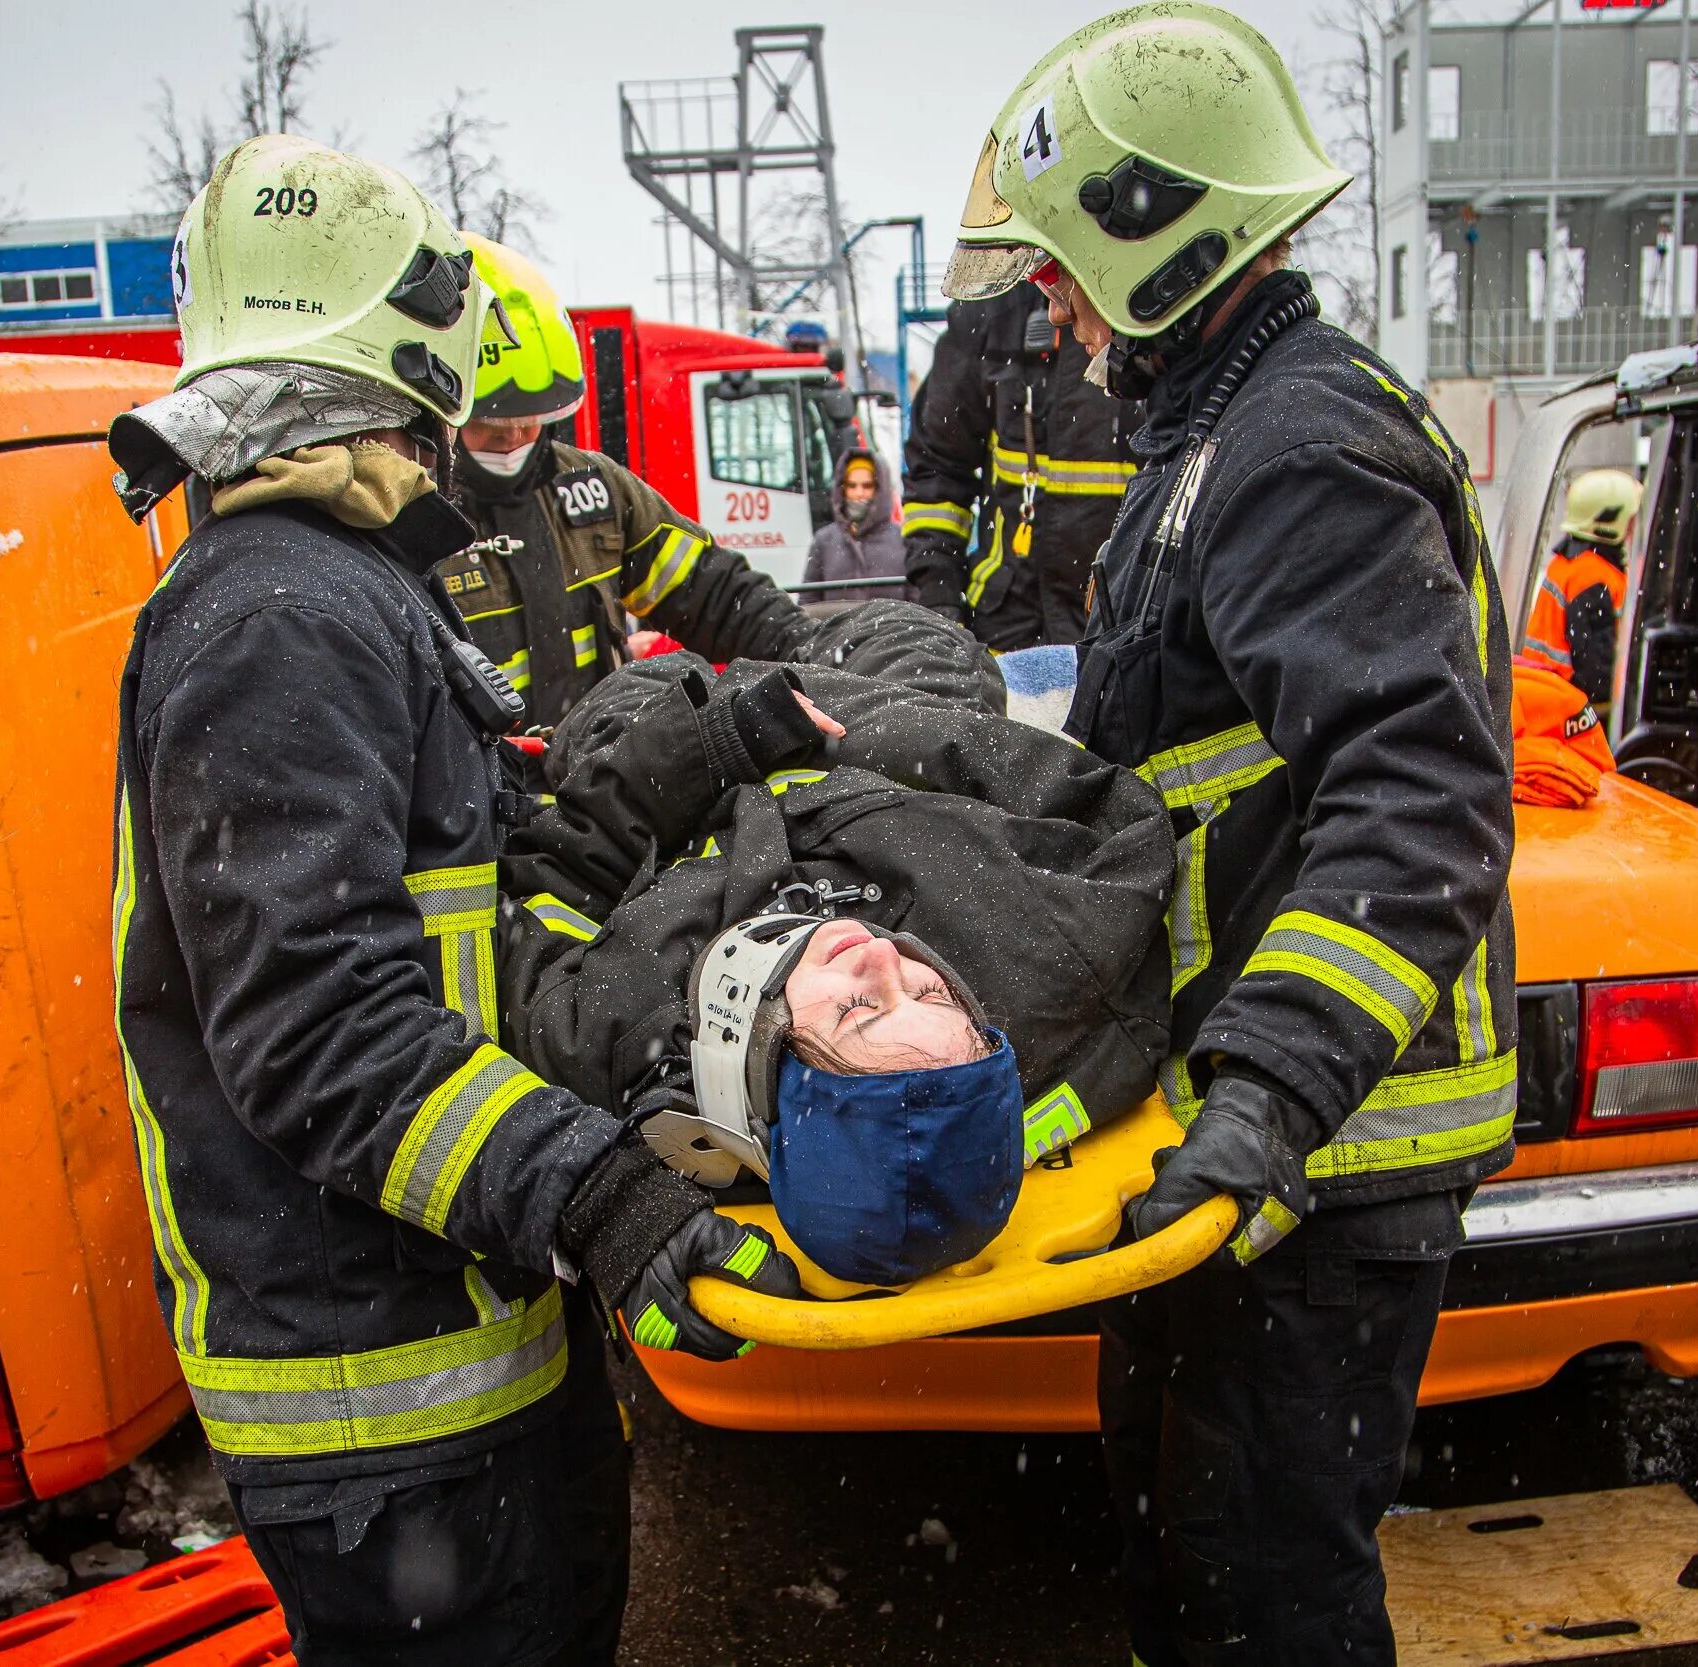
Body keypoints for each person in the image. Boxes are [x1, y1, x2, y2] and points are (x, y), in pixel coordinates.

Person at [103, 136, 800, 1667]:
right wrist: (600, 1190)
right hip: (387, 1407)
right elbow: (319, 1033)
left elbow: (482, 896)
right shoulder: (281, 611)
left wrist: (706, 741)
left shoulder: (332, 587)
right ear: (406, 355)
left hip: (457, 1353)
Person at [942, 8, 1516, 1661]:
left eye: (1058, 265)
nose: (1044, 301)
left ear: (1149, 241)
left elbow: (1416, 797)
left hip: (1323, 1153)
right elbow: (1192, 782)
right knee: (1195, 1562)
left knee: (1265, 1598)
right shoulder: (1213, 442)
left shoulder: (1294, 450)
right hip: (1240, 1145)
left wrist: (1267, 1090)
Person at [501, 603, 1174, 1284]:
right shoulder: (1058, 962)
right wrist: (831, 724)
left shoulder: (606, 1037)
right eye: (931, 991)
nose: (887, 958)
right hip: (887, 724)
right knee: (909, 632)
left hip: (666, 769)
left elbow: (557, 875)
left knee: (626, 704)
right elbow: (1116, 819)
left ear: (759, 1075)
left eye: (858, 1009)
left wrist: (713, 744)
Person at [444, 234, 811, 729]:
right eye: (489, 427)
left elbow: (715, 595)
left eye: (527, 422)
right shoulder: (412, 516)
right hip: (479, 797)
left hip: (594, 779)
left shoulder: (594, 489)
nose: (511, 440)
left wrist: (813, 657)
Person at [901, 285, 1136, 648]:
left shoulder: (1149, 312)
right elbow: (937, 467)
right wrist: (940, 602)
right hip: (1008, 632)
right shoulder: (992, 315)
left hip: (1128, 628)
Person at [1517, 467, 1642, 705]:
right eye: (1631, 520)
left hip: (1545, 693)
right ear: (1608, 521)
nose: (1633, 527)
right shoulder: (1593, 580)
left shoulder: (1569, 563)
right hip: (1566, 704)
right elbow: (1597, 676)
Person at [800, 449, 911, 603]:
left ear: (880, 489)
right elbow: (808, 602)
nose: (859, 493)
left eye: (867, 486)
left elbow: (917, 603)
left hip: (890, 627)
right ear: (842, 489)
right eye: (852, 486)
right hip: (839, 628)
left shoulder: (903, 540)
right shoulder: (824, 541)